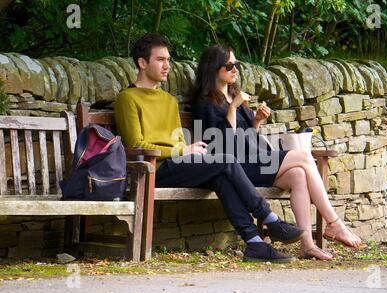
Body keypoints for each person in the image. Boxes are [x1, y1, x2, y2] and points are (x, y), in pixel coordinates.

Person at [114, 33, 304, 263]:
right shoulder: (128, 98)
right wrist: (182, 152)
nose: (167, 66)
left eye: (169, 59)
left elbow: (177, 141)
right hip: (153, 169)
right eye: (160, 60)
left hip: (179, 165)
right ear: (142, 63)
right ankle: (270, 219)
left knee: (221, 176)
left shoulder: (168, 100)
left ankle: (254, 243)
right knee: (224, 160)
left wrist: (187, 149)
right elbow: (135, 145)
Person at [191, 45, 367, 260]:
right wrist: (233, 109)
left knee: (298, 175)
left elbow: (247, 139)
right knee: (303, 157)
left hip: (255, 160)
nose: (235, 69)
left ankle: (307, 245)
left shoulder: (234, 95)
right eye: (229, 65)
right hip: (236, 168)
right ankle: (334, 223)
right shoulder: (205, 101)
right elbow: (219, 145)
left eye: (236, 64)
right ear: (213, 68)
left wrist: (256, 121)